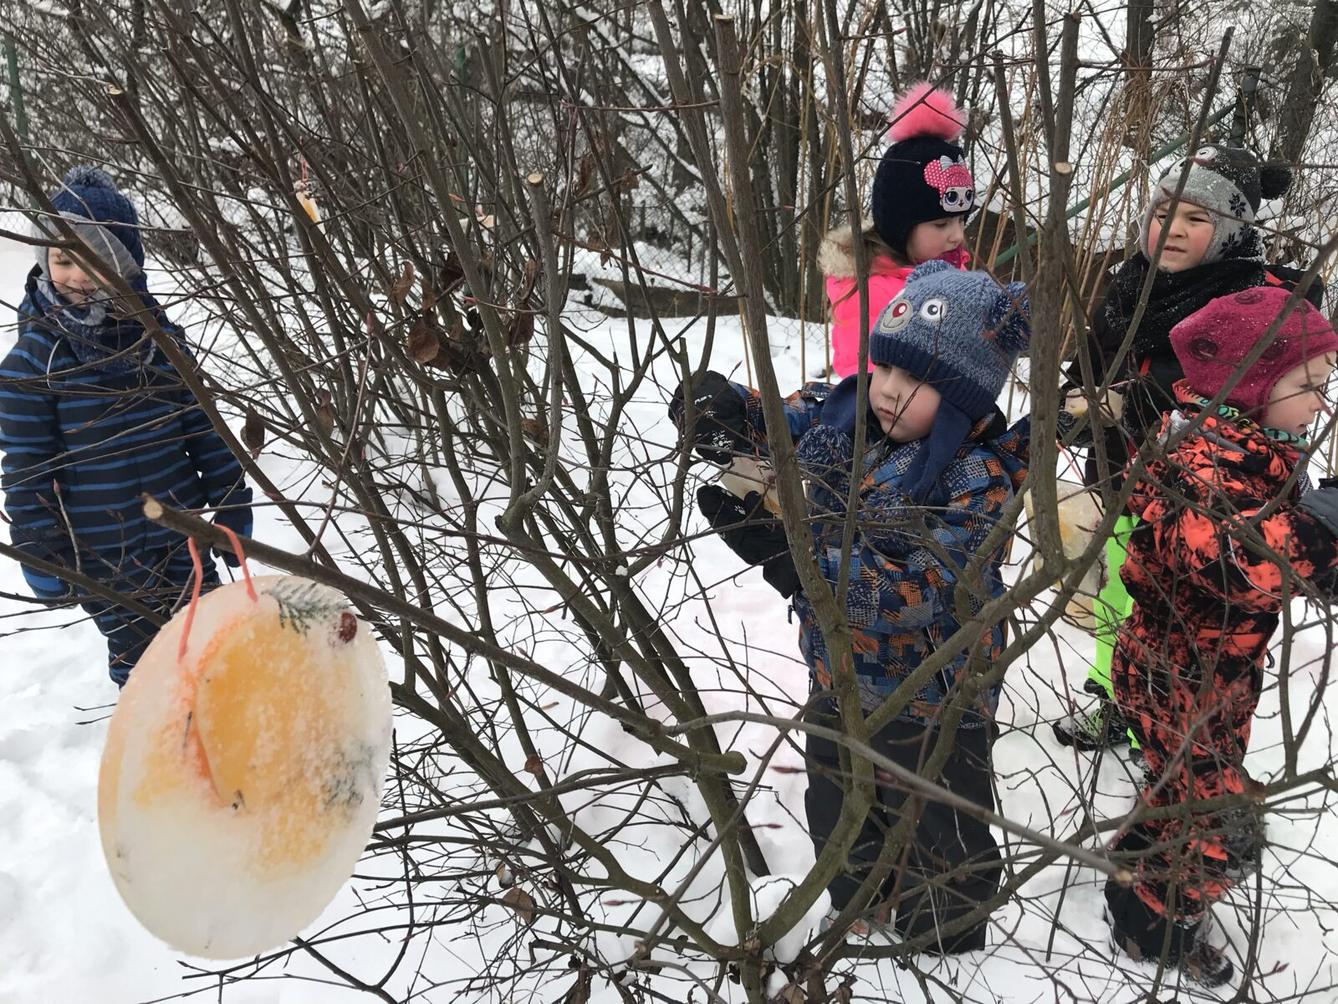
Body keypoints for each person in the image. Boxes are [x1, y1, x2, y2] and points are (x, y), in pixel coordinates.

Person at [672, 261, 1029, 950]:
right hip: (837, 675)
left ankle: (944, 935)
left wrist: (795, 563)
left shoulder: (976, 479)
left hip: (933, 698)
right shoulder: (851, 414)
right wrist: (726, 414)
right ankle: (855, 897)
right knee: (837, 801)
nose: (888, 389)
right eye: (884, 367)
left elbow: (917, 592)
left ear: (964, 394)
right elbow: (783, 420)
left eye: (915, 379)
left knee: (940, 825)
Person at [1104, 286, 1338, 986]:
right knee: (1220, 833)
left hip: (1213, 674)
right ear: (1251, 386)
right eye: (1307, 385)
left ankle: (1136, 870)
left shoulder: (1251, 445)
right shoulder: (1203, 461)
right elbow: (1240, 561)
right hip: (1177, 678)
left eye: (1325, 383)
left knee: (1178, 793)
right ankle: (1152, 925)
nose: (1321, 402)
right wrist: (1322, 534)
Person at [1054, 143, 1323, 751]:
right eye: (1161, 212)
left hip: (1203, 499)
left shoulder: (1251, 305)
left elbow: (1244, 403)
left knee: (1183, 622)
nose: (1171, 228)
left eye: (1196, 218)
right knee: (1121, 589)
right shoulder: (1131, 287)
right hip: (1119, 475)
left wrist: (1135, 403)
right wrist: (1075, 402)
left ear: (1232, 231)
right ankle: (1114, 698)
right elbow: (1091, 362)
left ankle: (1178, 741)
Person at [0, 166, 252, 686]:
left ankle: (223, 729)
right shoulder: (34, 362)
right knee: (146, 666)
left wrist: (231, 505)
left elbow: (204, 430)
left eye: (94, 258)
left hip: (183, 535)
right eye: (63, 259)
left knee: (211, 647)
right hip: (105, 555)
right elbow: (27, 468)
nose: (77, 275)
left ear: (126, 264)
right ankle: (159, 735)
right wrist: (42, 552)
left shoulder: (159, 341)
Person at [821, 82, 974, 379]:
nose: (957, 235)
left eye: (961, 220)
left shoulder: (950, 270)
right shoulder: (871, 294)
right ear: (900, 227)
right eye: (941, 224)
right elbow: (869, 384)